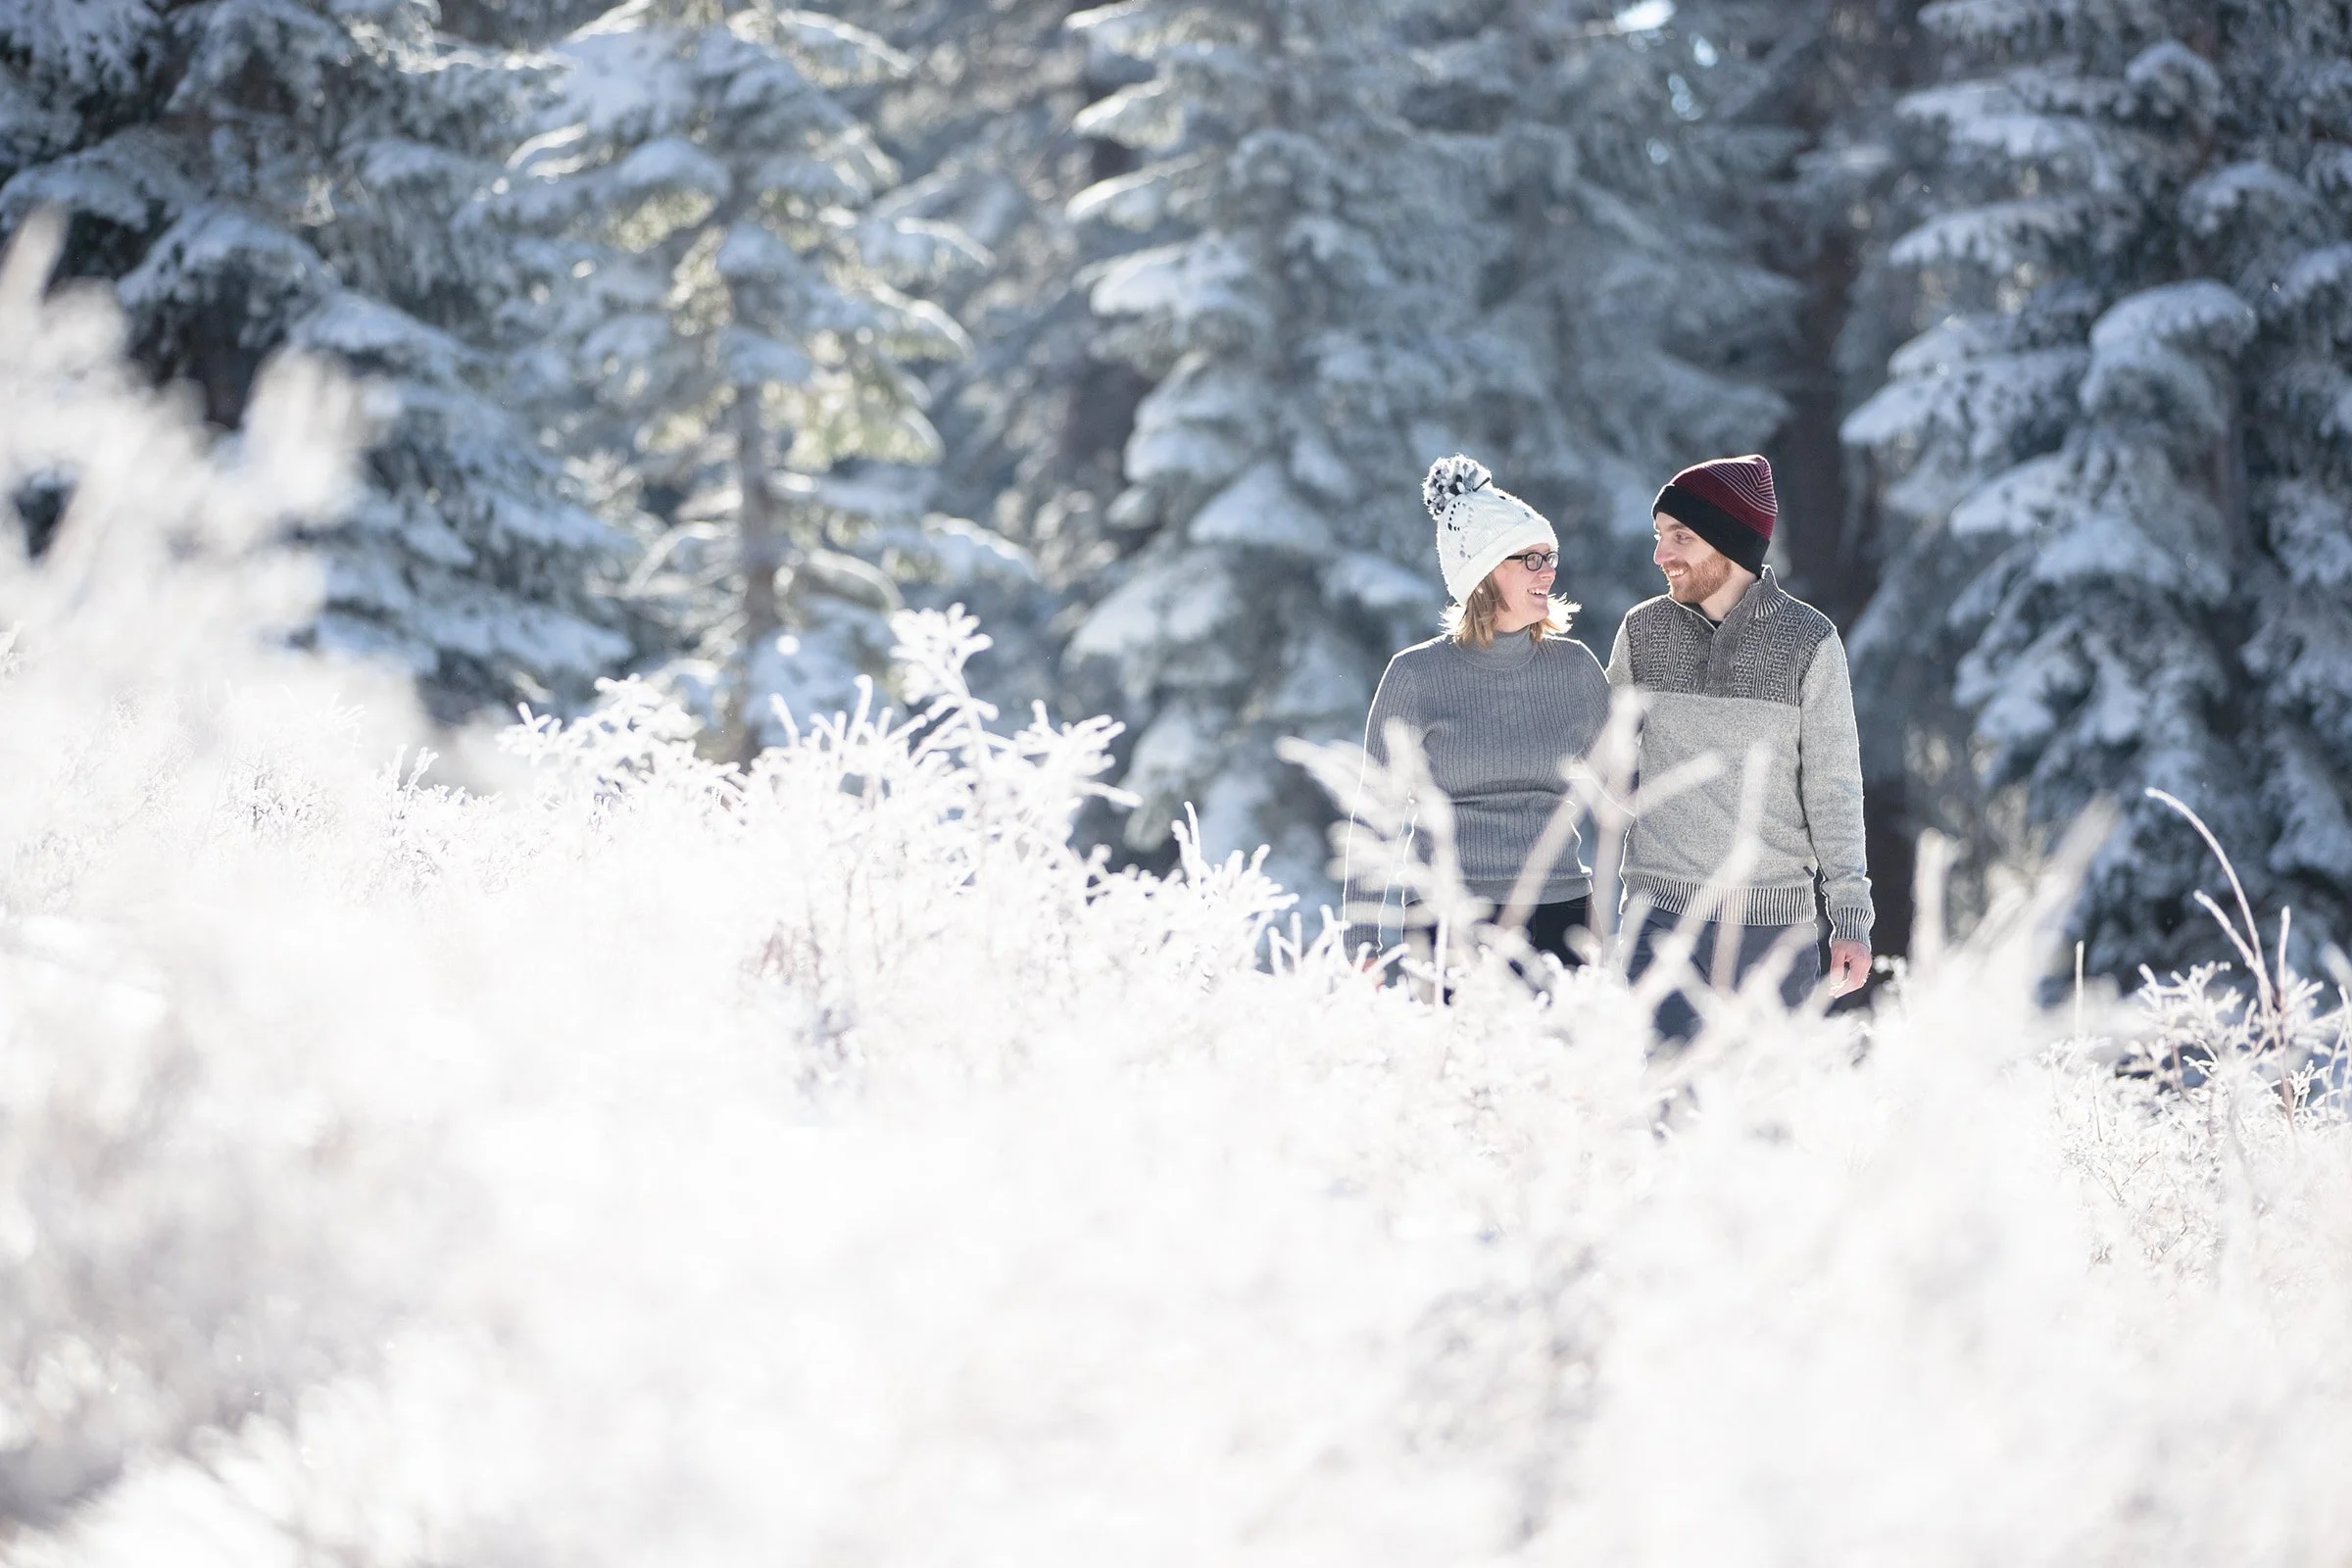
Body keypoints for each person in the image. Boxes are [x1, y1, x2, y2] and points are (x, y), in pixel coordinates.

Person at [1603, 453, 1873, 1045]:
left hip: (1772, 926)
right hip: (1660, 918)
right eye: (1660, 536)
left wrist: (1850, 915)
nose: (1661, 555)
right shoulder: (1642, 632)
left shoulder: (1808, 640)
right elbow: (1607, 766)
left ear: (1729, 543)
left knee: (1763, 1119)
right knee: (1666, 1111)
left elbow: (1833, 787)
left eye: (1681, 537)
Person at [1342, 455, 1611, 975]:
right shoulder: (1415, 676)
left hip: (1563, 917)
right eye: (1529, 559)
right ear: (1485, 575)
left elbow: (1628, 792)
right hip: (1447, 921)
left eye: (1550, 555)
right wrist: (1362, 941)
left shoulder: (1575, 668)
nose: (1549, 570)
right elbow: (1376, 819)